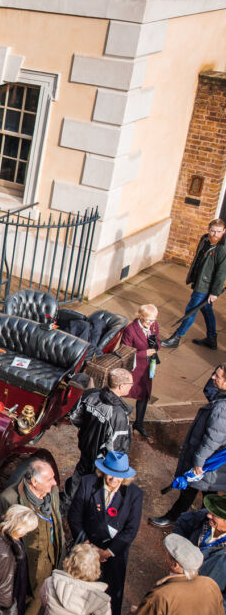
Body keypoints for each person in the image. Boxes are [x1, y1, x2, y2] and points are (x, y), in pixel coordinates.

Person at [66, 451, 143, 615]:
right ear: (103, 471)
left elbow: (131, 530)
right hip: (86, 550)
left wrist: (108, 552)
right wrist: (89, 547)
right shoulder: (87, 483)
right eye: (110, 474)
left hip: (114, 556)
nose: (114, 479)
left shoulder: (135, 494)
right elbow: (74, 516)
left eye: (119, 476)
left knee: (110, 597)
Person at [0, 459, 65, 615]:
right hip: (22, 569)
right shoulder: (8, 499)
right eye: (49, 479)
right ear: (34, 482)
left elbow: (57, 524)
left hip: (48, 565)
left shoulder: (52, 492)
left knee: (36, 604)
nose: (55, 482)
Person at [151, 365, 226, 527]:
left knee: (194, 490)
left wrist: (198, 462)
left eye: (218, 376)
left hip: (207, 462)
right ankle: (192, 522)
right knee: (204, 493)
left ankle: (177, 518)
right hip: (213, 465)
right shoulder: (221, 400)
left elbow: (212, 440)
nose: (213, 377)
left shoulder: (222, 408)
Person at [64, 368, 133, 503]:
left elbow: (74, 417)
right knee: (95, 493)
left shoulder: (90, 395)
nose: (132, 386)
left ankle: (66, 505)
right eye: (131, 384)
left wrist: (86, 431)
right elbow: (117, 449)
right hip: (102, 463)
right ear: (121, 386)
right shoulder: (119, 414)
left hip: (86, 451)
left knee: (76, 483)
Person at [163, 219, 226, 349]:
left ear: (224, 231)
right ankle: (211, 338)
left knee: (191, 310)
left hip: (205, 285)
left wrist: (214, 292)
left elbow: (221, 273)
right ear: (208, 229)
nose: (215, 234)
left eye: (219, 231)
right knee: (206, 309)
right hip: (198, 280)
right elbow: (198, 259)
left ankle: (176, 337)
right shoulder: (204, 239)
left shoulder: (222, 249)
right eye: (213, 231)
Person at [131, 534, 225, 615]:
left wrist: (139, 612)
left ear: (175, 565)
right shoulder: (211, 584)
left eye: (167, 554)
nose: (165, 556)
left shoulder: (160, 595)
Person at [173, 494, 226, 613]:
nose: (209, 515)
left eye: (215, 515)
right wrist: (179, 552)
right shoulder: (204, 518)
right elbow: (182, 522)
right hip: (177, 585)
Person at [37, 543, 112, 615]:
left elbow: (44, 602)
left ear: (69, 562)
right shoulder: (101, 600)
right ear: (96, 569)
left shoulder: (50, 582)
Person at [121, 304, 160, 439]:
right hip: (134, 368)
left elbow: (157, 340)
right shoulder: (130, 330)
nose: (150, 323)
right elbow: (125, 352)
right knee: (123, 392)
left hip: (147, 367)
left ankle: (139, 424)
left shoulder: (154, 326)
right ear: (140, 316)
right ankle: (118, 422)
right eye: (148, 320)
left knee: (144, 395)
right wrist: (144, 353)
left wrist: (156, 346)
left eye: (153, 320)